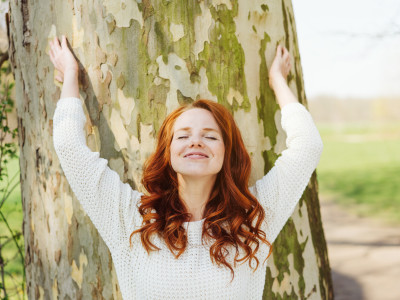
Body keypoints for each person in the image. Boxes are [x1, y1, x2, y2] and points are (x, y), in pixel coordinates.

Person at [49, 35, 323, 299]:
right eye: (182, 136)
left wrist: (277, 82)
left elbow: (308, 146)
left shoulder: (252, 219)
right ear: (167, 154)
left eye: (210, 136)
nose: (195, 142)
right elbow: (69, 147)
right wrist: (71, 76)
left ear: (227, 153)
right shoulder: (130, 219)